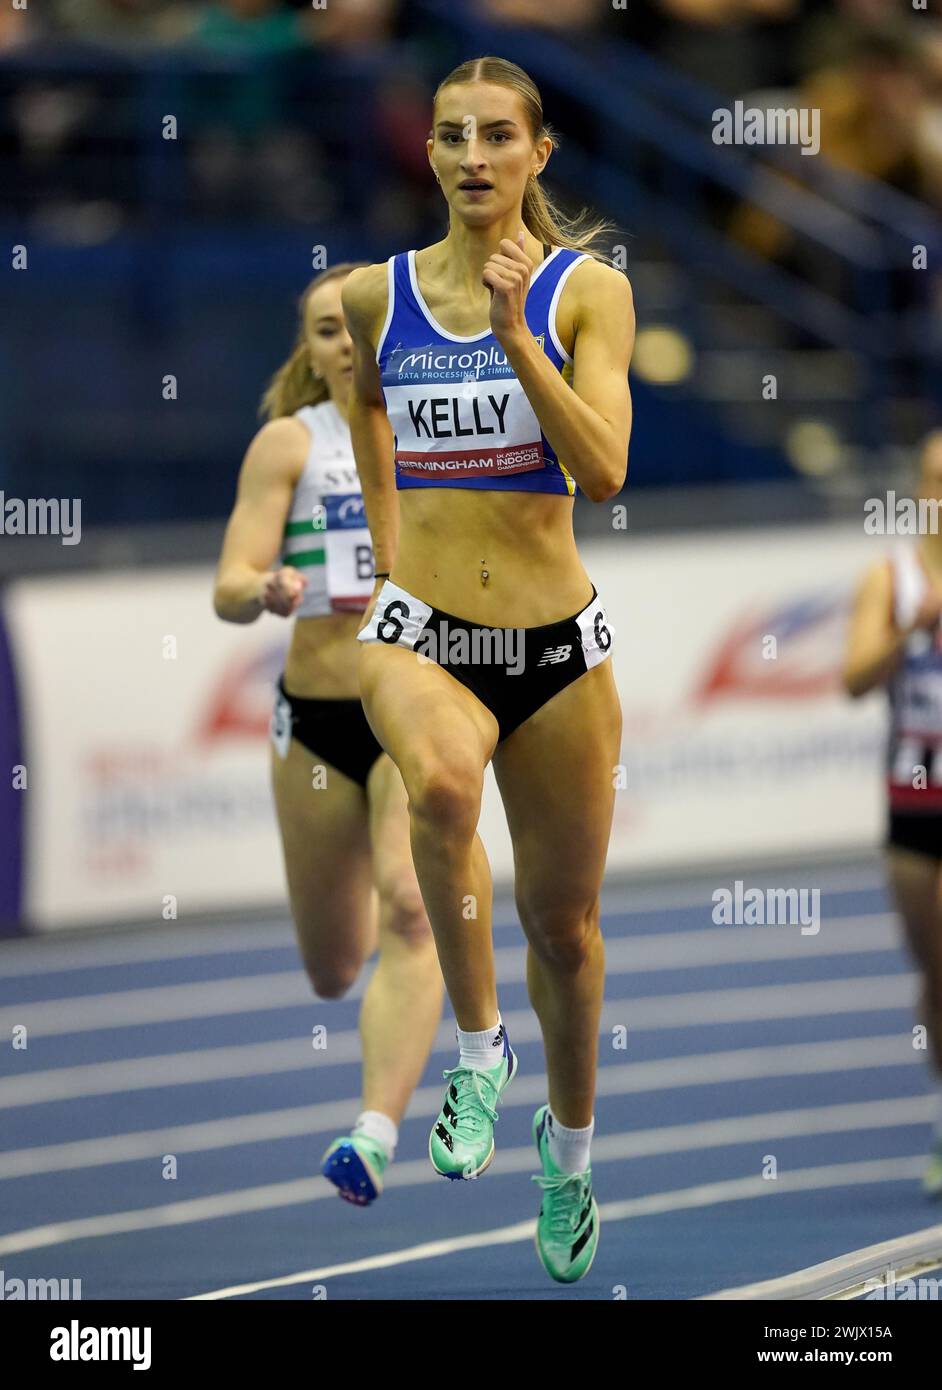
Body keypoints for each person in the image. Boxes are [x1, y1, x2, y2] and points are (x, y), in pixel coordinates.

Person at [342, 55, 634, 1283]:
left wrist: (518, 337)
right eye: (453, 136)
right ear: (430, 155)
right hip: (424, 638)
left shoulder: (587, 293)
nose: (474, 157)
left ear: (538, 155)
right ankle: (475, 1053)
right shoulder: (373, 295)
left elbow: (607, 468)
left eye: (498, 138)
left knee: (564, 933)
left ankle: (566, 1161)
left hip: (556, 649)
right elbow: (363, 408)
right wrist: (385, 553)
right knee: (444, 792)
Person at [213, 265, 443, 1206]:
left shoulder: (432, 435)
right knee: (333, 965)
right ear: (306, 350)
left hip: (411, 710)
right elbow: (228, 579)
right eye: (324, 330)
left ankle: (375, 1133)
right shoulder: (289, 445)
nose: (345, 344)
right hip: (314, 724)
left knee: (411, 904)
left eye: (356, 326)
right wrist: (259, 592)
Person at [843, 430, 942, 1197]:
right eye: (935, 482)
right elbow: (852, 678)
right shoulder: (893, 578)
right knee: (933, 973)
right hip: (911, 799)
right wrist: (912, 626)